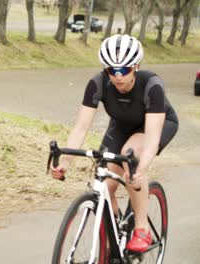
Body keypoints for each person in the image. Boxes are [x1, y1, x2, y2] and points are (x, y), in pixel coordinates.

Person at [50, 34, 178, 253]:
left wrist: (142, 168)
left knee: (131, 157)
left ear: (136, 66)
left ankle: (141, 228)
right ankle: (114, 233)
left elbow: (152, 138)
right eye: (111, 70)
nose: (117, 76)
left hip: (156, 125)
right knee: (105, 186)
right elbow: (81, 127)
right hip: (121, 125)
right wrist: (66, 163)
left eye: (124, 70)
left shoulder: (152, 85)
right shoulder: (97, 83)